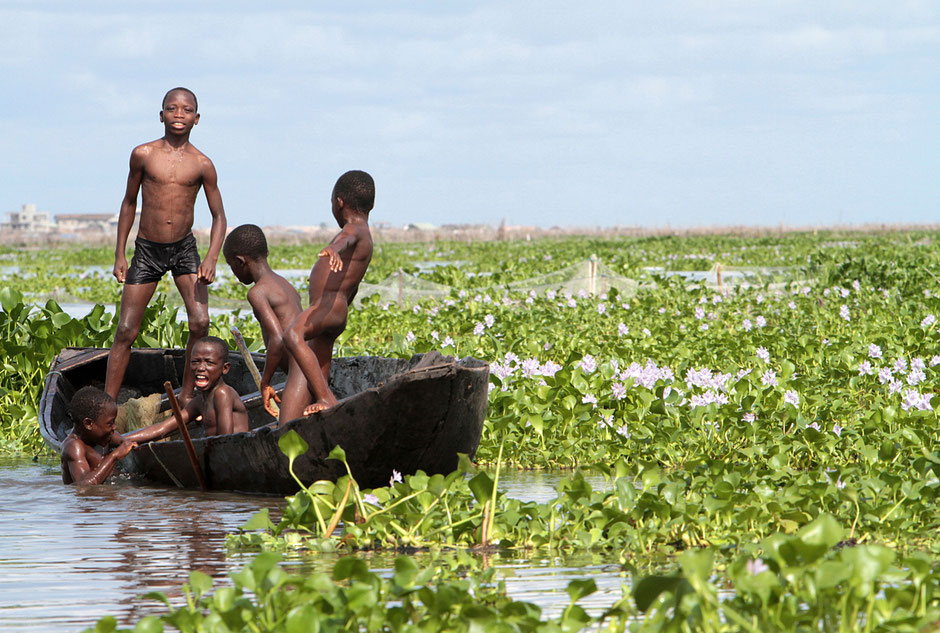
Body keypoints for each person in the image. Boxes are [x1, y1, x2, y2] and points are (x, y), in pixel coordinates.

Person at [105, 87, 227, 404]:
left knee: (200, 322)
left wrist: (212, 258)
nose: (178, 115)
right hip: (147, 250)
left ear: (196, 119)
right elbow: (129, 203)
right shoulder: (143, 155)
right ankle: (107, 403)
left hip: (184, 249)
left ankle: (187, 397)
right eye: (172, 109)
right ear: (161, 115)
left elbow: (219, 218)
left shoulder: (203, 164)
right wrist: (120, 253)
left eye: (186, 110)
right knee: (127, 330)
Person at [283, 170, 375, 414]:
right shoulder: (365, 233)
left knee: (292, 335)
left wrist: (334, 248)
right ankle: (321, 404)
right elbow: (352, 285)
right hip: (335, 310)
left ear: (339, 202)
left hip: (327, 307)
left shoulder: (355, 229)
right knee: (320, 367)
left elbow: (346, 237)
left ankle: (325, 398)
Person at [223, 224, 313, 422]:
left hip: (300, 371)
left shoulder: (258, 292)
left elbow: (278, 339)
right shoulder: (285, 284)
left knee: (286, 431)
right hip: (311, 366)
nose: (235, 274)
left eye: (231, 266)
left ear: (240, 262)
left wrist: (265, 383)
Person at [61, 386, 189, 485]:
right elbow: (84, 487)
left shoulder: (104, 436)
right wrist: (115, 456)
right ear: (89, 424)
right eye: (110, 424)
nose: (115, 428)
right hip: (90, 510)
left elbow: (132, 439)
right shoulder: (74, 446)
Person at [153, 336, 250, 436]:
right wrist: (135, 438)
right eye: (195, 362)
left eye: (209, 362)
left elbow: (225, 439)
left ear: (225, 368)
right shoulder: (200, 401)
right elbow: (162, 428)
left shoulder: (222, 393)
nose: (200, 368)